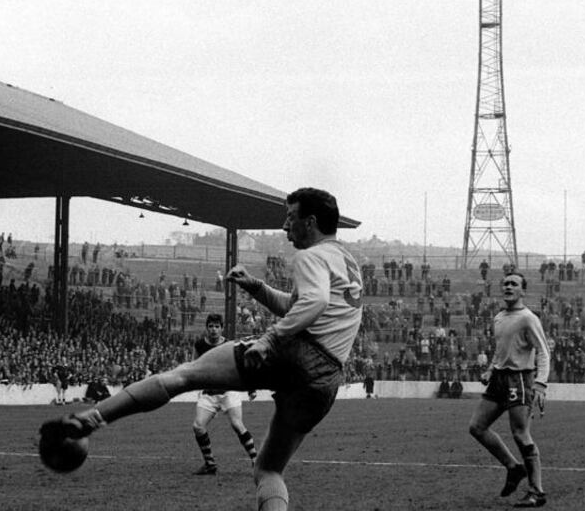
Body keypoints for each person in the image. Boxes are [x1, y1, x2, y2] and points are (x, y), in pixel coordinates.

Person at [42, 188, 362, 511]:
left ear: (310, 222)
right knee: (268, 469)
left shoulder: (310, 256)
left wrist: (270, 339)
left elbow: (315, 302)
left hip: (298, 350)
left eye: (291, 217)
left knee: (183, 376)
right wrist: (256, 287)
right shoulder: (346, 261)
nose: (284, 225)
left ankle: (90, 419)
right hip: (326, 379)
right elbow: (300, 305)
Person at [468, 272, 550, 508]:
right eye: (505, 284)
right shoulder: (499, 317)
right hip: (499, 379)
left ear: (523, 290)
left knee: (520, 433)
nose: (508, 287)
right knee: (477, 427)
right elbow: (500, 350)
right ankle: (513, 467)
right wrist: (490, 370)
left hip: (520, 379)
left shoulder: (528, 318)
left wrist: (540, 384)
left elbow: (543, 351)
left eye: (514, 284)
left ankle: (537, 491)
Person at [190, 313, 259, 475]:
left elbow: (242, 366)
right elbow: (193, 367)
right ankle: (210, 464)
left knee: (237, 424)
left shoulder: (229, 345)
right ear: (206, 328)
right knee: (198, 426)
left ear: (222, 329)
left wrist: (251, 388)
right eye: (211, 326)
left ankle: (256, 461)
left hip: (229, 390)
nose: (213, 330)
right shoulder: (199, 345)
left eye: (217, 326)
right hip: (209, 393)